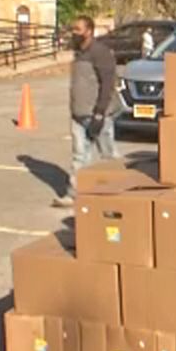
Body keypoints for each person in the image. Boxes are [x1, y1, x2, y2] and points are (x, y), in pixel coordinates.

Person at [52, 16, 121, 208]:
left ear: (89, 31)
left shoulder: (100, 52)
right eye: (73, 29)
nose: (74, 32)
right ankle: (74, 195)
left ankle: (120, 193)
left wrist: (100, 113)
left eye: (78, 29)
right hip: (78, 115)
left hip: (98, 114)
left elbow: (108, 84)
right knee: (79, 156)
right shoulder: (78, 53)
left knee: (109, 156)